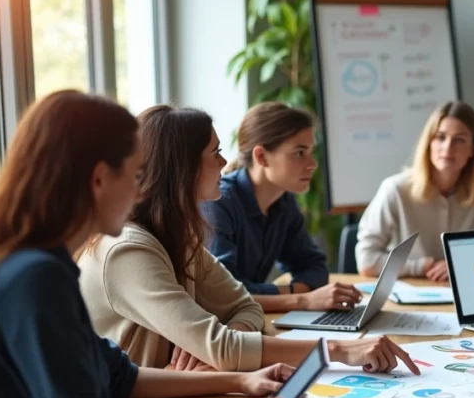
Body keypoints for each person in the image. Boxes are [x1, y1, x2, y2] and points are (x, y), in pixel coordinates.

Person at [0, 91, 312, 398]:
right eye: (136, 172)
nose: (142, 187)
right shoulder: (35, 278)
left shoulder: (40, 266)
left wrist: (240, 382)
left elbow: (120, 376)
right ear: (100, 179)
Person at [78, 104, 419, 375]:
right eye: (214, 153)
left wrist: (225, 341)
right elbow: (222, 347)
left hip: (175, 390)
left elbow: (245, 305)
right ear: (182, 167)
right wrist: (341, 350)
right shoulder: (128, 250)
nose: (225, 162)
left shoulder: (177, 237)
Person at [205, 102, 361, 313]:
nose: (312, 163)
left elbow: (314, 266)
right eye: (299, 153)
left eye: (310, 151)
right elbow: (224, 293)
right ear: (261, 157)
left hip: (247, 319)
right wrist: (302, 298)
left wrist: (294, 292)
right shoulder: (219, 203)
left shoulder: (283, 201)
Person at [356, 101, 474, 281]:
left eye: (459, 140)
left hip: (465, 295)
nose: (448, 148)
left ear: (473, 149)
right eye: (440, 137)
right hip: (411, 294)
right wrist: (419, 267)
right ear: (429, 142)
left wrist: (459, 264)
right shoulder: (395, 189)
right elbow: (366, 261)